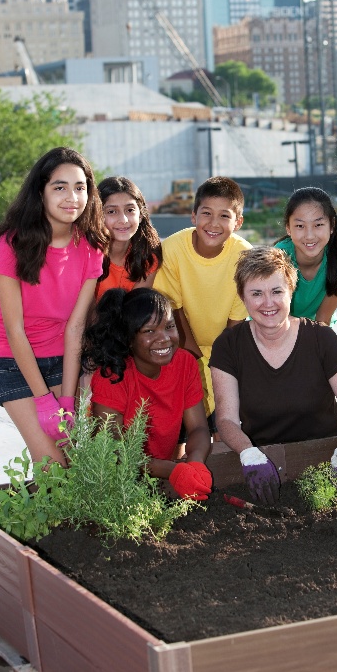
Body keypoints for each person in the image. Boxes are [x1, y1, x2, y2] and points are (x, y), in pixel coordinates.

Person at [210, 247, 337, 504]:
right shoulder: (228, 345)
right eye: (256, 293)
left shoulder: (322, 339)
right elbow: (227, 419)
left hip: (326, 459)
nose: (268, 303)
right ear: (242, 297)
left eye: (276, 291)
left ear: (290, 292)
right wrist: (248, 454)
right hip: (265, 463)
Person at [0, 147, 108, 467]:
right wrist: (43, 401)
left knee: (70, 455)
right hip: (12, 356)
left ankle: (57, 519)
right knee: (53, 464)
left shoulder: (93, 246)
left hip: (60, 356)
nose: (72, 197)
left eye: (80, 187)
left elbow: (76, 328)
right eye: (59, 187)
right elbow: (14, 330)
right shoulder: (13, 242)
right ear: (40, 192)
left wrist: (66, 399)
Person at [83, 288, 212, 500]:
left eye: (169, 327)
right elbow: (112, 451)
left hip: (160, 477)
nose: (164, 339)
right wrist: (173, 471)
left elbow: (198, 427)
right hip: (115, 488)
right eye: (149, 331)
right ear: (128, 338)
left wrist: (196, 463)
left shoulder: (185, 363)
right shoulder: (112, 375)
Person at [153, 176, 252, 430]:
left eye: (224, 216)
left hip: (225, 346)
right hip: (182, 345)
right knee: (181, 423)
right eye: (206, 213)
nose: (214, 223)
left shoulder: (244, 257)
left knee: (225, 422)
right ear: (193, 215)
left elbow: (235, 326)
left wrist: (219, 363)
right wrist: (195, 360)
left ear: (238, 222)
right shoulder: (173, 249)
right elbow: (173, 312)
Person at [274, 187, 337, 324]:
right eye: (300, 226)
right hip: (275, 326)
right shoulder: (278, 257)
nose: (310, 236)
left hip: (315, 329)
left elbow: (323, 319)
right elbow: (273, 317)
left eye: (318, 224)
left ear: (331, 225)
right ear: (288, 228)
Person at [95, 176, 162, 300]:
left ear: (141, 215)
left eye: (130, 210)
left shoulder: (147, 258)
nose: (123, 220)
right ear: (97, 216)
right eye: (111, 211)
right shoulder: (87, 254)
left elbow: (135, 312)